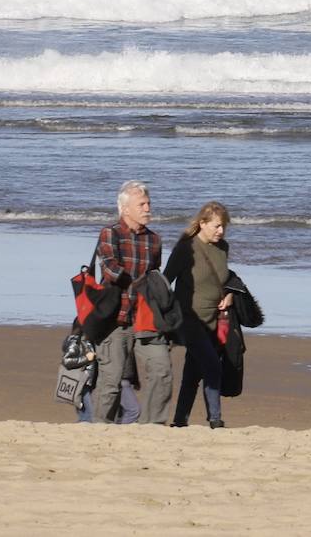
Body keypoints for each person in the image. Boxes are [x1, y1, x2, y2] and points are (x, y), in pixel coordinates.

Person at [89, 180, 173, 424]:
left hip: (145, 319)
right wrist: (140, 283)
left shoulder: (154, 240)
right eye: (142, 204)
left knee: (162, 370)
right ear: (125, 209)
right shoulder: (110, 233)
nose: (148, 208)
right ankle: (100, 427)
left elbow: (155, 275)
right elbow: (110, 271)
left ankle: (152, 426)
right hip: (115, 320)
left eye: (149, 203)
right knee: (111, 381)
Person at [165, 201, 234, 428]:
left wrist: (229, 296)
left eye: (223, 226)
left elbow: (226, 277)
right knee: (213, 365)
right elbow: (166, 280)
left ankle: (179, 421)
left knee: (193, 373)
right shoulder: (186, 248)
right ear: (202, 223)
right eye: (216, 226)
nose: (221, 231)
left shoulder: (223, 247)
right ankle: (215, 419)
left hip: (214, 320)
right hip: (189, 319)